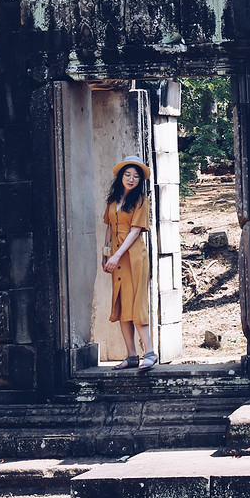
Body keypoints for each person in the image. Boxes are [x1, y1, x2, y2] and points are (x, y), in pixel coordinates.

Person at [103, 155, 157, 369]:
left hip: (134, 257)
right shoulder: (112, 201)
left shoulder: (142, 201)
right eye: (128, 175)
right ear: (121, 177)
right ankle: (132, 356)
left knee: (136, 304)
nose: (131, 179)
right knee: (122, 303)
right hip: (116, 258)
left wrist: (116, 256)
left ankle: (150, 353)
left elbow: (135, 232)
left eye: (135, 176)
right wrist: (106, 255)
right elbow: (109, 228)